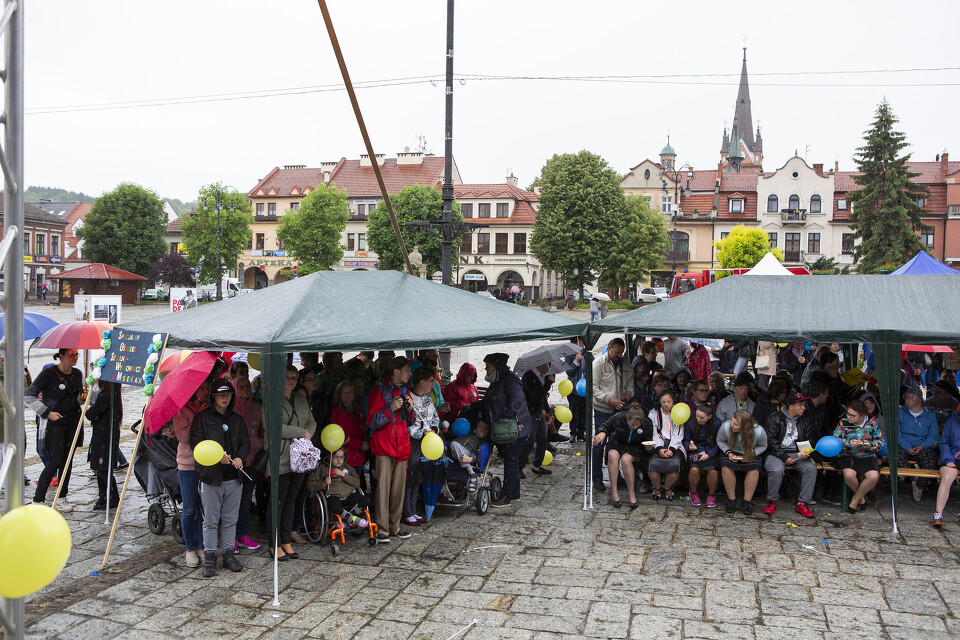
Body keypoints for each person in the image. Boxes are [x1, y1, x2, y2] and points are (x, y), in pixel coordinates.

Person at [190, 380, 250, 577]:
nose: (224, 398)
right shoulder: (202, 419)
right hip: (211, 478)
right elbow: (196, 445)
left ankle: (228, 554)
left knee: (231, 519)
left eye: (228, 395)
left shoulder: (237, 419)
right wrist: (217, 458)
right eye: (220, 395)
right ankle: (209, 557)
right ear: (213, 397)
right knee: (211, 520)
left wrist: (240, 456)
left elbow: (244, 442)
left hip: (234, 477)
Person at [266, 365, 317, 559]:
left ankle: (286, 540)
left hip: (300, 459)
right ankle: (274, 543)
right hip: (280, 458)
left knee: (290, 500)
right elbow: (274, 428)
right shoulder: (272, 400)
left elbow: (312, 421)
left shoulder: (301, 399)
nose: (291, 380)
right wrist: (300, 432)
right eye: (287, 377)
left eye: (294, 377)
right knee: (277, 502)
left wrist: (308, 435)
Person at [26, 349, 83, 512]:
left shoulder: (78, 374)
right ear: (61, 356)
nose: (74, 358)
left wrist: (83, 397)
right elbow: (29, 396)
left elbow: (77, 398)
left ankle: (62, 497)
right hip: (55, 424)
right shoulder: (48, 374)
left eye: (76, 355)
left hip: (73, 421)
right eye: (71, 355)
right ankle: (38, 499)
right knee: (55, 461)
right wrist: (47, 413)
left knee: (68, 462)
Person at [367, 356, 414, 540]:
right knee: (383, 488)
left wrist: (409, 410)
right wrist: (390, 408)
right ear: (396, 371)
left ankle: (395, 526)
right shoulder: (379, 390)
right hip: (384, 445)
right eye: (407, 370)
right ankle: (382, 529)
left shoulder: (405, 389)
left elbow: (410, 420)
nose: (410, 374)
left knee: (398, 488)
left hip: (401, 445)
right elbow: (372, 421)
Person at [481, 353, 533, 508]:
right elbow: (488, 401)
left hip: (515, 429)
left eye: (488, 366)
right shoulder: (497, 381)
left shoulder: (509, 380)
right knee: (510, 459)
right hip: (505, 428)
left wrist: (505, 416)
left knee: (511, 460)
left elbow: (517, 399)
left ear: (496, 367)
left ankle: (507, 495)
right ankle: (514, 492)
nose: (485, 369)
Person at [762, 392, 817, 518]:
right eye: (801, 405)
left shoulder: (805, 420)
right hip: (776, 453)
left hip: (798, 452)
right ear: (791, 406)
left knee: (811, 468)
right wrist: (783, 456)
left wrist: (806, 452)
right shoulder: (774, 418)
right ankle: (771, 500)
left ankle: (803, 503)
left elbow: (810, 439)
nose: (804, 407)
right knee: (776, 469)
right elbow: (771, 441)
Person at [592, 338, 634, 491]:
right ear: (609, 348)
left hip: (619, 410)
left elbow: (630, 383)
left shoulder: (625, 363)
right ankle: (596, 477)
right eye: (616, 352)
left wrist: (628, 394)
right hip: (602, 409)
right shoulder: (598, 363)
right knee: (599, 443)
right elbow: (593, 388)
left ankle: (616, 477)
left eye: (621, 352)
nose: (619, 355)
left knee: (616, 444)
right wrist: (609, 400)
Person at [593, 403, 651, 509]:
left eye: (637, 425)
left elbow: (648, 440)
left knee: (626, 459)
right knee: (612, 455)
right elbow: (605, 426)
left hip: (635, 446)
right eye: (632, 424)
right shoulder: (619, 417)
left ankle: (631, 493)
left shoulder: (647, 423)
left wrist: (649, 447)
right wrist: (602, 433)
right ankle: (614, 491)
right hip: (617, 442)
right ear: (627, 418)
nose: (634, 427)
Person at [403, 365, 440, 526]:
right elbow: (407, 425)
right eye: (431, 381)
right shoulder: (408, 399)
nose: (434, 384)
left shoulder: (427, 398)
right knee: (410, 476)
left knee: (418, 476)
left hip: (429, 442)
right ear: (422, 381)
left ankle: (413, 510)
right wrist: (422, 433)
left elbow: (435, 417)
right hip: (414, 442)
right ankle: (407, 511)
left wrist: (434, 429)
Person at [834, 399, 884, 514]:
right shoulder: (843, 422)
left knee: (873, 476)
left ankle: (855, 499)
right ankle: (861, 499)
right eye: (848, 414)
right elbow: (835, 439)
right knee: (849, 474)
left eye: (852, 415)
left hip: (866, 455)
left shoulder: (872, 424)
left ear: (862, 415)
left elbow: (880, 442)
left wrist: (869, 445)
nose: (849, 417)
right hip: (848, 454)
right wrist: (848, 443)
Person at [232, 377, 263, 551]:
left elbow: (262, 431)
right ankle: (232, 537)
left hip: (251, 461)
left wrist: (257, 443)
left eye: (247, 386)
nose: (245, 389)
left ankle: (243, 534)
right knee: (231, 501)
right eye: (241, 386)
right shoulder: (231, 410)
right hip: (234, 463)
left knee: (245, 499)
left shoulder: (257, 408)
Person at [306, 447, 370, 529]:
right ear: (329, 457)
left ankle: (345, 522)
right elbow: (310, 485)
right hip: (333, 495)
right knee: (334, 507)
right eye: (336, 457)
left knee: (366, 500)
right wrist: (324, 483)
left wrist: (344, 475)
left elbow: (357, 483)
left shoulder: (347, 467)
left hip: (349, 494)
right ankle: (354, 519)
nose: (339, 460)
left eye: (341, 457)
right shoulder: (323, 468)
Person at [718, 410, 768, 514]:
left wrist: (752, 454)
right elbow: (720, 441)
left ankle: (747, 501)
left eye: (735, 424)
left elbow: (763, 446)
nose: (732, 425)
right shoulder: (725, 427)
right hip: (731, 451)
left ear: (745, 426)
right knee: (726, 467)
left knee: (754, 469)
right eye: (732, 422)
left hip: (750, 452)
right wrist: (728, 453)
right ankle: (731, 500)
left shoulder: (759, 431)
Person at [898, 388, 940, 502]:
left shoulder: (929, 415)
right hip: (903, 445)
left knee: (931, 462)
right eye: (907, 396)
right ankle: (913, 477)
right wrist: (907, 446)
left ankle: (919, 486)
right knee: (896, 457)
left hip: (922, 446)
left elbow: (933, 436)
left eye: (912, 396)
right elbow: (896, 433)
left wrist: (922, 446)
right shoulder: (900, 412)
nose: (909, 398)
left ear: (920, 400)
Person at [86, 380, 122, 510]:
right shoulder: (113, 394)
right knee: (104, 469)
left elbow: (91, 414)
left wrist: (89, 408)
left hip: (103, 435)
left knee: (102, 468)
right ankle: (109, 496)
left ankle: (107, 497)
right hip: (108, 433)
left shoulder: (106, 395)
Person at [647, 390, 685, 501]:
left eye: (669, 401)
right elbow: (653, 432)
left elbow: (678, 432)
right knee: (652, 464)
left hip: (674, 444)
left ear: (673, 401)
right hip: (658, 443)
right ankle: (657, 488)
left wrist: (672, 449)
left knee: (675, 463)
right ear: (660, 401)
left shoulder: (678, 412)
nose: (666, 404)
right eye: (663, 402)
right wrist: (659, 448)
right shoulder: (653, 413)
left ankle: (668, 488)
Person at [684, 403, 721, 508]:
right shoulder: (691, 422)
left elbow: (718, 443)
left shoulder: (717, 423)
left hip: (711, 451)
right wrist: (689, 446)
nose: (698, 419)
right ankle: (693, 492)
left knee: (713, 470)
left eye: (702, 417)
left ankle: (711, 495)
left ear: (709, 417)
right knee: (694, 470)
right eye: (697, 416)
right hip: (695, 450)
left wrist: (709, 455)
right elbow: (686, 439)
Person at [329, 380, 367, 480]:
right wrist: (361, 445)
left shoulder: (358, 409)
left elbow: (363, 429)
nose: (348, 395)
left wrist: (366, 442)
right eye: (344, 393)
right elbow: (341, 436)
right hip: (344, 456)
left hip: (359, 456)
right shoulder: (337, 412)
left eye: (350, 392)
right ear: (339, 395)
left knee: (355, 484)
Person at [521, 362, 552, 476]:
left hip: (538, 412)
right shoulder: (529, 376)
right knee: (529, 441)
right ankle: (519, 466)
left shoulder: (541, 376)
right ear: (541, 364)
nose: (550, 367)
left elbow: (542, 398)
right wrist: (548, 383)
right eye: (548, 364)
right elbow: (537, 397)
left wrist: (547, 411)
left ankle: (537, 465)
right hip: (530, 413)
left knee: (542, 439)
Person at [932, 408, 960, 526]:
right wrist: (948, 459)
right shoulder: (951, 423)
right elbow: (944, 443)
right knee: (947, 477)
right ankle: (938, 514)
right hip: (952, 458)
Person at [564, 338, 587, 442]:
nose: (582, 344)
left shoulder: (587, 353)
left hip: (585, 387)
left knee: (583, 411)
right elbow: (569, 371)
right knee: (574, 410)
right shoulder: (569, 354)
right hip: (573, 388)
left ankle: (582, 432)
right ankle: (573, 432)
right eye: (580, 342)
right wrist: (576, 361)